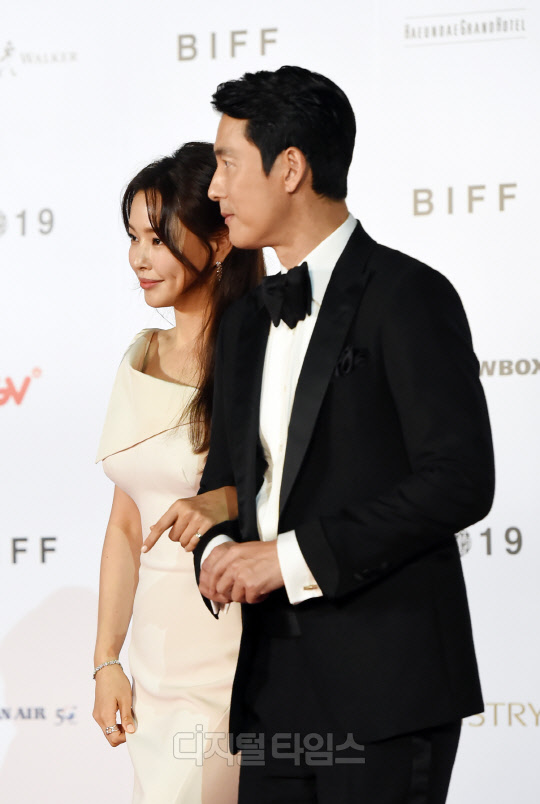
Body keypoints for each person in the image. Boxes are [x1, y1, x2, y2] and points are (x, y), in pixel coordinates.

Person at [156, 66, 494, 803]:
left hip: (388, 690)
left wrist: (287, 558)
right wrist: (218, 549)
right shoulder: (245, 320)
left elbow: (459, 478)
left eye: (227, 163)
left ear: (291, 168)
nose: (213, 189)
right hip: (273, 686)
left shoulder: (409, 296)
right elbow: (226, 481)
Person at [92, 142, 264, 804]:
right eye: (132, 236)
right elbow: (124, 523)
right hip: (153, 659)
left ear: (218, 244)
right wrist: (107, 660)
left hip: (231, 650)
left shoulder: (259, 360)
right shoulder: (140, 355)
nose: (140, 257)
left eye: (158, 237)